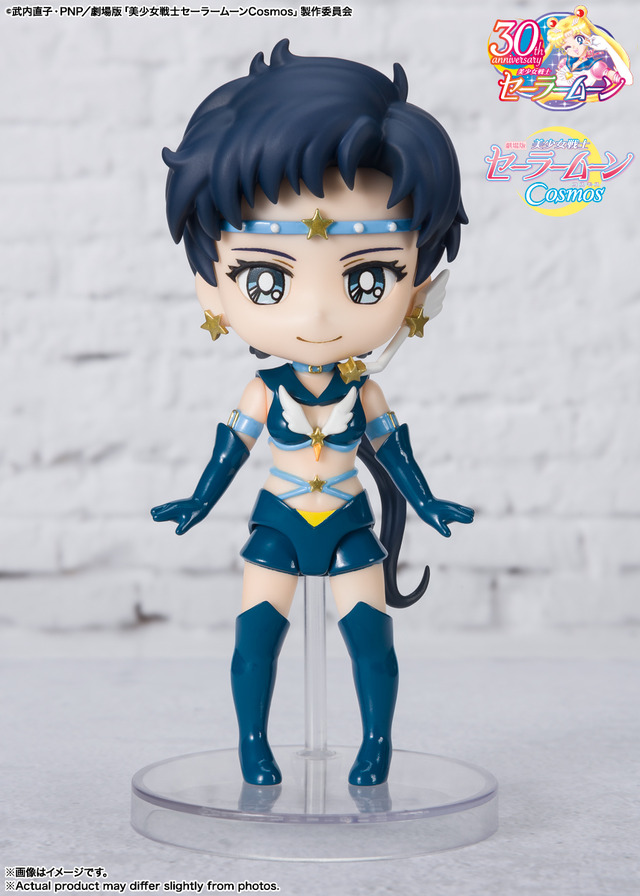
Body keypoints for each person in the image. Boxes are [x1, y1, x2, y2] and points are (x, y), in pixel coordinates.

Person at [152, 40, 473, 788]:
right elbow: (228, 454)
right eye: (267, 281)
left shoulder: (365, 390)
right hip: (279, 521)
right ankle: (253, 743)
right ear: (212, 287)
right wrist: (198, 500)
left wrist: (427, 502)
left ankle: (376, 743)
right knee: (256, 641)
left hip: (352, 526)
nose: (319, 313)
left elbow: (395, 456)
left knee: (371, 644)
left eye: (369, 281)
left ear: (416, 286)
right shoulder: (264, 390)